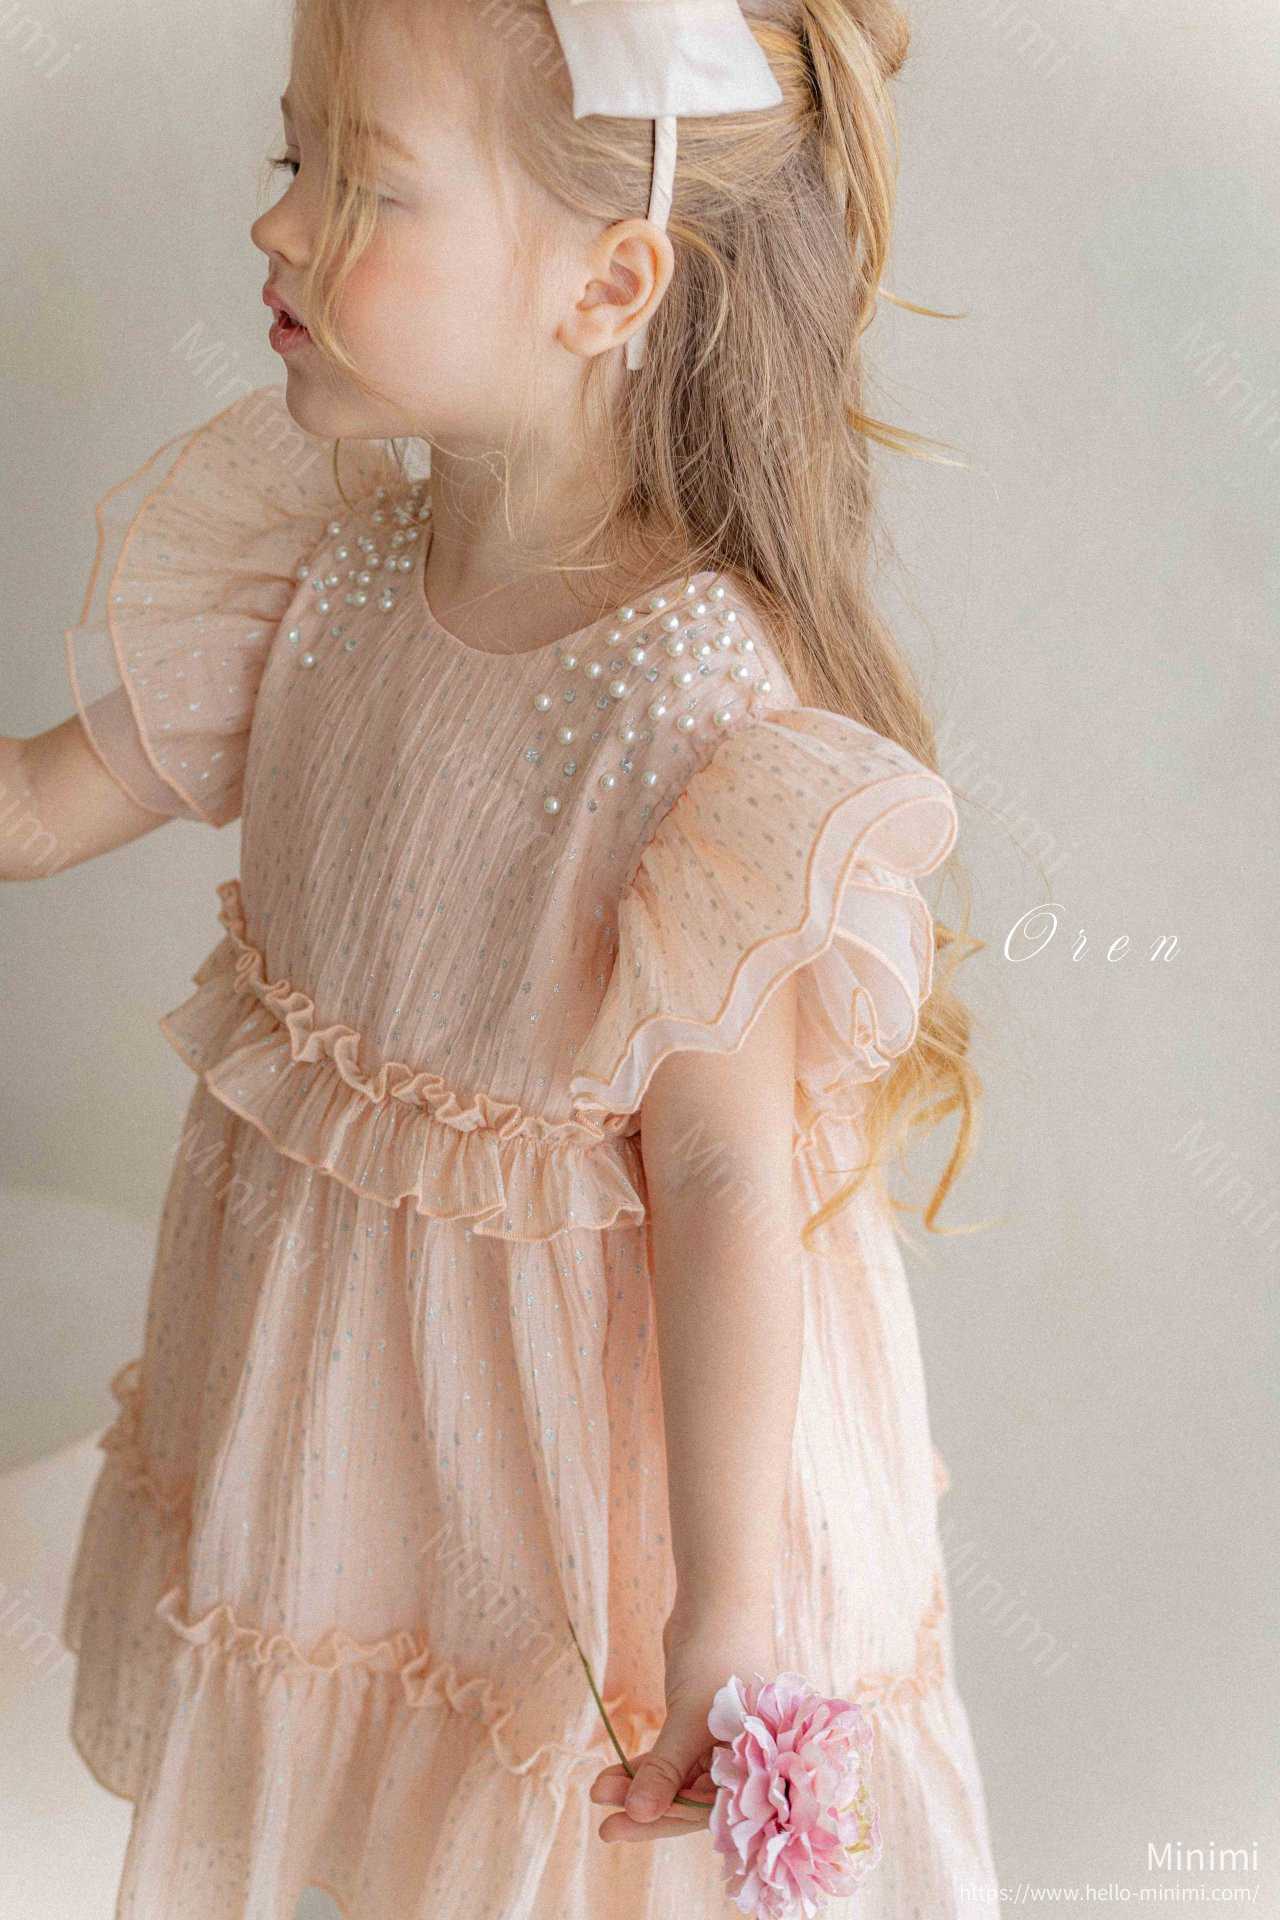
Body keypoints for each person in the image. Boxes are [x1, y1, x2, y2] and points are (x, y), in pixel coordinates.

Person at [2, 0, 1002, 1912]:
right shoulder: (326, 568)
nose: (276, 225)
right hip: (343, 1433)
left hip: (570, 1486)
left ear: (608, 284)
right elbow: (39, 808)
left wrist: (721, 1605)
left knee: (530, 1849)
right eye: (291, 158)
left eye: (360, 185)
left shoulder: (690, 706)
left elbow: (721, 1180)